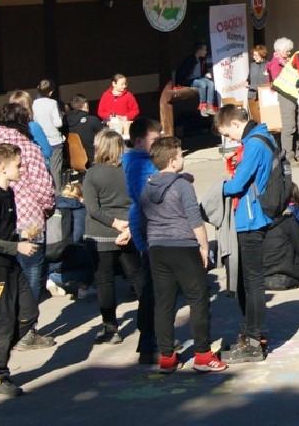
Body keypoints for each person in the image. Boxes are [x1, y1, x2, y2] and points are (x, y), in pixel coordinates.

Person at [141, 136, 227, 373]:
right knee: (198, 299)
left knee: (164, 303)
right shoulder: (182, 187)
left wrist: (149, 243)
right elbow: (194, 219)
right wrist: (204, 246)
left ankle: (166, 357)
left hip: (157, 247)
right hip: (183, 246)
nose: (183, 159)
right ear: (172, 161)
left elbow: (142, 220)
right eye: (180, 155)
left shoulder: (147, 187)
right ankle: (203, 355)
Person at [0, 144, 54, 397]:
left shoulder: (8, 192)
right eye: (18, 166)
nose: (22, 169)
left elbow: (3, 233)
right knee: (5, 320)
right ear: (2, 167)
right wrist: (17, 246)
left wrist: (22, 237)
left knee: (29, 313)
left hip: (10, 264)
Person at [0, 103, 55, 308]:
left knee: (6, 277)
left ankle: (11, 319)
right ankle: (28, 321)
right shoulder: (31, 149)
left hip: (0, 224)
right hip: (30, 220)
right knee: (32, 274)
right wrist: (46, 209)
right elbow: (43, 188)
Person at [215, 105, 276, 363]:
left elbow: (238, 184)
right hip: (253, 216)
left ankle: (252, 340)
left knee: (251, 283)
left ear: (235, 124)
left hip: (250, 219)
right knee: (246, 281)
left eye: (227, 133)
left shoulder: (253, 144)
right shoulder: (261, 138)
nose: (229, 139)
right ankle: (252, 334)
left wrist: (220, 188)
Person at [82, 130, 144, 345]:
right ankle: (149, 321)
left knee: (105, 281)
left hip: (101, 234)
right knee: (137, 276)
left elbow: (93, 209)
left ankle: (110, 328)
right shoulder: (129, 171)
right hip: (129, 229)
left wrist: (113, 223)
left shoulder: (92, 174)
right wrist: (125, 224)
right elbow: (139, 200)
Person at [122, 117, 161, 364]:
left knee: (155, 285)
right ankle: (149, 340)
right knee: (152, 287)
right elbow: (146, 195)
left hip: (151, 224)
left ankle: (153, 337)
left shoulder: (145, 161)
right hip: (149, 226)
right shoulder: (138, 164)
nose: (158, 144)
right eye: (154, 140)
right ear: (138, 141)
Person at [33, 79, 65, 185]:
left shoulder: (34, 104)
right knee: (55, 170)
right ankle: (58, 192)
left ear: (38, 88)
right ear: (51, 92)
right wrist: (61, 116)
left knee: (43, 170)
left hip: (40, 141)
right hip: (54, 140)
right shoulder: (53, 103)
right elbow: (58, 123)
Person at [175, 42, 218, 117]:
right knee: (202, 84)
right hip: (190, 80)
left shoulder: (202, 60)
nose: (206, 52)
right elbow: (183, 71)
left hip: (200, 78)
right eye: (204, 50)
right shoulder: (190, 59)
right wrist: (179, 83)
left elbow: (204, 70)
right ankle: (202, 106)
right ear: (199, 51)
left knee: (211, 83)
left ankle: (209, 106)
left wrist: (206, 74)